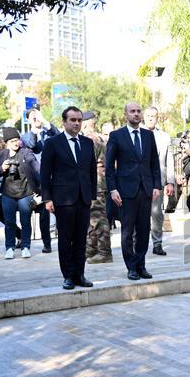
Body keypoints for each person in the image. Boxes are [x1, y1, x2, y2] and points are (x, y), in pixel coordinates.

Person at [42, 107, 98, 290]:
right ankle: (68, 276)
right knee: (65, 239)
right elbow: (45, 173)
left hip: (83, 198)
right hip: (63, 199)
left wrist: (92, 196)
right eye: (72, 120)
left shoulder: (88, 143)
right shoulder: (53, 143)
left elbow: (91, 172)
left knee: (81, 239)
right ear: (64, 122)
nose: (76, 123)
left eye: (79, 120)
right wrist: (47, 198)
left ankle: (79, 275)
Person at [105, 102, 163, 281]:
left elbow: (154, 163)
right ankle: (131, 267)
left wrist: (156, 186)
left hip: (145, 190)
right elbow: (109, 167)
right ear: (126, 115)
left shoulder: (148, 135)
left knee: (144, 230)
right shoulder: (116, 136)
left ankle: (141, 264)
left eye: (138, 111)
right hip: (125, 191)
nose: (136, 114)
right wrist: (113, 189)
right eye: (133, 111)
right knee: (127, 232)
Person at [0, 128, 40, 260]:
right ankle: (9, 248)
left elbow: (35, 165)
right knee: (9, 222)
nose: (16, 143)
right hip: (7, 193)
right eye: (13, 141)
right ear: (7, 143)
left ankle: (26, 246)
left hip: (25, 193)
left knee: (25, 221)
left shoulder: (26, 152)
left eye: (17, 140)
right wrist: (2, 167)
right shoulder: (3, 154)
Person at [20, 107, 60, 253]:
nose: (36, 118)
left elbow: (59, 136)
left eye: (37, 115)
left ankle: (65, 239)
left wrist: (45, 122)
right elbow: (31, 144)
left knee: (62, 210)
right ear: (28, 119)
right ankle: (47, 243)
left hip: (56, 176)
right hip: (40, 180)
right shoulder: (26, 136)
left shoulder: (50, 132)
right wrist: (35, 128)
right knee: (44, 213)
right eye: (32, 116)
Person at [143, 106, 176, 256]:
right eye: (148, 115)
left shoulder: (164, 136)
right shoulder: (137, 134)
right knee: (140, 213)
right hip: (140, 181)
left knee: (156, 213)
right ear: (144, 116)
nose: (151, 118)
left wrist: (170, 181)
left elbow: (170, 159)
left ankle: (157, 243)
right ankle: (139, 243)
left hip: (158, 181)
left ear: (157, 118)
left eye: (153, 116)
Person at [81, 111, 112, 264]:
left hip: (95, 183)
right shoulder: (97, 138)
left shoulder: (89, 139)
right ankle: (91, 249)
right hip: (95, 183)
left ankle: (104, 252)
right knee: (91, 218)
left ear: (86, 123)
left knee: (98, 218)